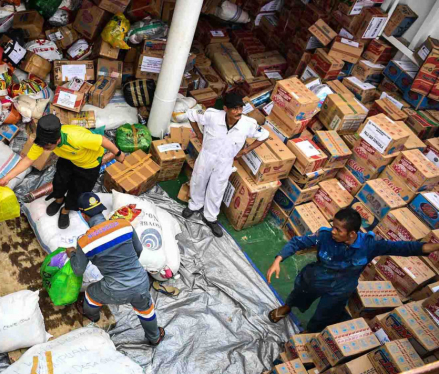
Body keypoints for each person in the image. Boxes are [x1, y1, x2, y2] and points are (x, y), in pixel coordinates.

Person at [266, 207, 439, 332]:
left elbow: (403, 248)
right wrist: (278, 260)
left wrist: (432, 247)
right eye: (333, 226)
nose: (333, 231)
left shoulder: (370, 245)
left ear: (352, 234)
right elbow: (298, 242)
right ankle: (287, 307)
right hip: (317, 277)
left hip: (341, 288)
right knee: (299, 294)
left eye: (338, 229)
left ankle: (308, 333)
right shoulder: (325, 236)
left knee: (323, 315)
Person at [66, 192, 165, 346]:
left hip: (114, 288)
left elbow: (78, 270)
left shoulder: (85, 241)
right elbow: (138, 250)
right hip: (140, 282)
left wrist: (72, 253)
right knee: (146, 310)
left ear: (83, 215)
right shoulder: (124, 225)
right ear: (100, 209)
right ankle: (154, 337)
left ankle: (92, 316)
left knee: (91, 293)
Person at [0, 115, 125, 229]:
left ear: (57, 141)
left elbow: (103, 140)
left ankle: (66, 209)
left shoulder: (77, 138)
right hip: (68, 158)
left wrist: (118, 153)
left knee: (78, 190)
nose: (43, 149)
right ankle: (59, 200)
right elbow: (28, 160)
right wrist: (7, 178)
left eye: (47, 147)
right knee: (59, 181)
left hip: (88, 164)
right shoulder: (43, 141)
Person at [182, 92, 270, 237]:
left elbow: (264, 135)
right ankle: (194, 205)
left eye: (240, 108)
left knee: (217, 188)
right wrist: (198, 133)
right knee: (198, 180)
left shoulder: (248, 124)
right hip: (207, 156)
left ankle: (210, 217)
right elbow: (191, 114)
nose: (238, 112)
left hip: (225, 161)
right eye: (234, 108)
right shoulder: (212, 115)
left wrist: (245, 150)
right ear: (225, 108)